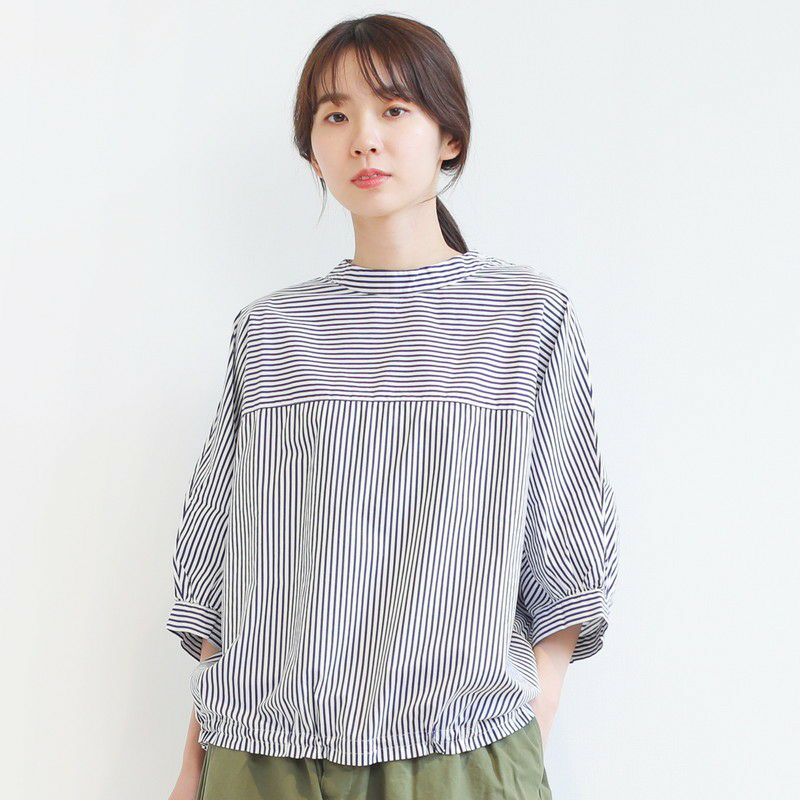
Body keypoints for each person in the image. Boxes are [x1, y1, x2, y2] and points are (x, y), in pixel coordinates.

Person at [167, 13, 619, 800]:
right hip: (263, 752)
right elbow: (220, 568)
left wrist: (527, 731)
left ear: (449, 136)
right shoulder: (270, 331)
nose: (364, 140)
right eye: (335, 116)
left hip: (461, 749)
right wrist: (193, 768)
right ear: (312, 151)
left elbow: (567, 553)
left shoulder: (525, 318)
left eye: (394, 109)